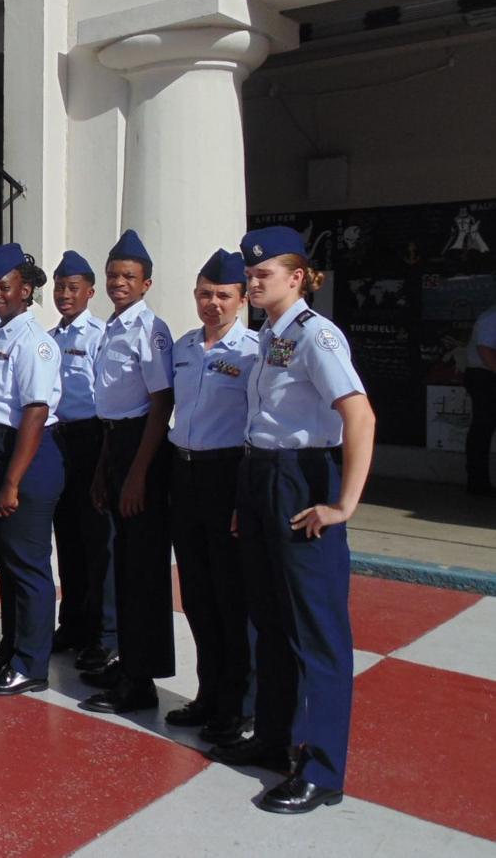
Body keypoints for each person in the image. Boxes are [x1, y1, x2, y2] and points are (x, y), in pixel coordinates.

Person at [208, 226, 375, 816]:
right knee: (269, 619)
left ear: (297, 277)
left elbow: (359, 416)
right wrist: (244, 498)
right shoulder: (265, 338)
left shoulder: (316, 336)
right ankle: (276, 738)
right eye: (250, 275)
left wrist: (344, 503)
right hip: (260, 477)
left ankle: (322, 765)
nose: (253, 282)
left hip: (303, 477)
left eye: (263, 275)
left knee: (316, 629)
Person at [165, 249, 258, 746]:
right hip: (186, 475)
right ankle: (208, 694)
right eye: (205, 294)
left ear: (241, 300)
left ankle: (240, 706)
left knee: (231, 596)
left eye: (223, 296)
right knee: (197, 593)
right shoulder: (182, 347)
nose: (212, 303)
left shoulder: (253, 352)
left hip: (228, 476)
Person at [0, 243, 64, 696]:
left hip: (22, 457)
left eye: (4, 287)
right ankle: (10, 650)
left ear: (25, 290)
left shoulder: (34, 342)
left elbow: (35, 412)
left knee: (27, 567)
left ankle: (31, 663)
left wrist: (11, 481)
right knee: (6, 561)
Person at [82, 229, 175, 715]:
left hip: (143, 447)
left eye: (129, 276)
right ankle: (126, 662)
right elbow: (109, 410)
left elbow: (160, 403)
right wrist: (103, 472)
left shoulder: (149, 330)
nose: (119, 282)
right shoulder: (111, 327)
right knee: (120, 565)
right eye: (114, 274)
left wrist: (138, 474)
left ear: (146, 284)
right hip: (116, 444)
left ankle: (141, 682)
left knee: (142, 571)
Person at [47, 250, 113, 671]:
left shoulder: (99, 336)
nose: (64, 295)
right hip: (59, 440)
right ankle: (71, 622)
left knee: (96, 541)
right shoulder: (50, 338)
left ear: (90, 292)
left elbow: (106, 401)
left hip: (92, 439)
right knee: (66, 536)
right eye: (59, 288)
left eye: (73, 288)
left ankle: (101, 631)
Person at [463, 300, 496, 495]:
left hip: (487, 374)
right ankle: (478, 482)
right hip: (484, 376)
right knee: (483, 427)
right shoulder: (491, 317)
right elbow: (484, 350)